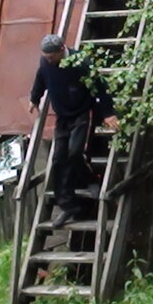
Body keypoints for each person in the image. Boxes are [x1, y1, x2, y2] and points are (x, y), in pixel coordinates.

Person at [29, 34, 119, 227]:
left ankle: (92, 180)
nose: (48, 60)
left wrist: (108, 113)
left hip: (82, 113)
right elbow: (41, 78)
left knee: (75, 152)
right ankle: (68, 206)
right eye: (45, 56)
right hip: (62, 116)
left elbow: (101, 87)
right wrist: (34, 98)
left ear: (62, 50)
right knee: (58, 159)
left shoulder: (81, 62)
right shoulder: (46, 63)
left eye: (51, 56)